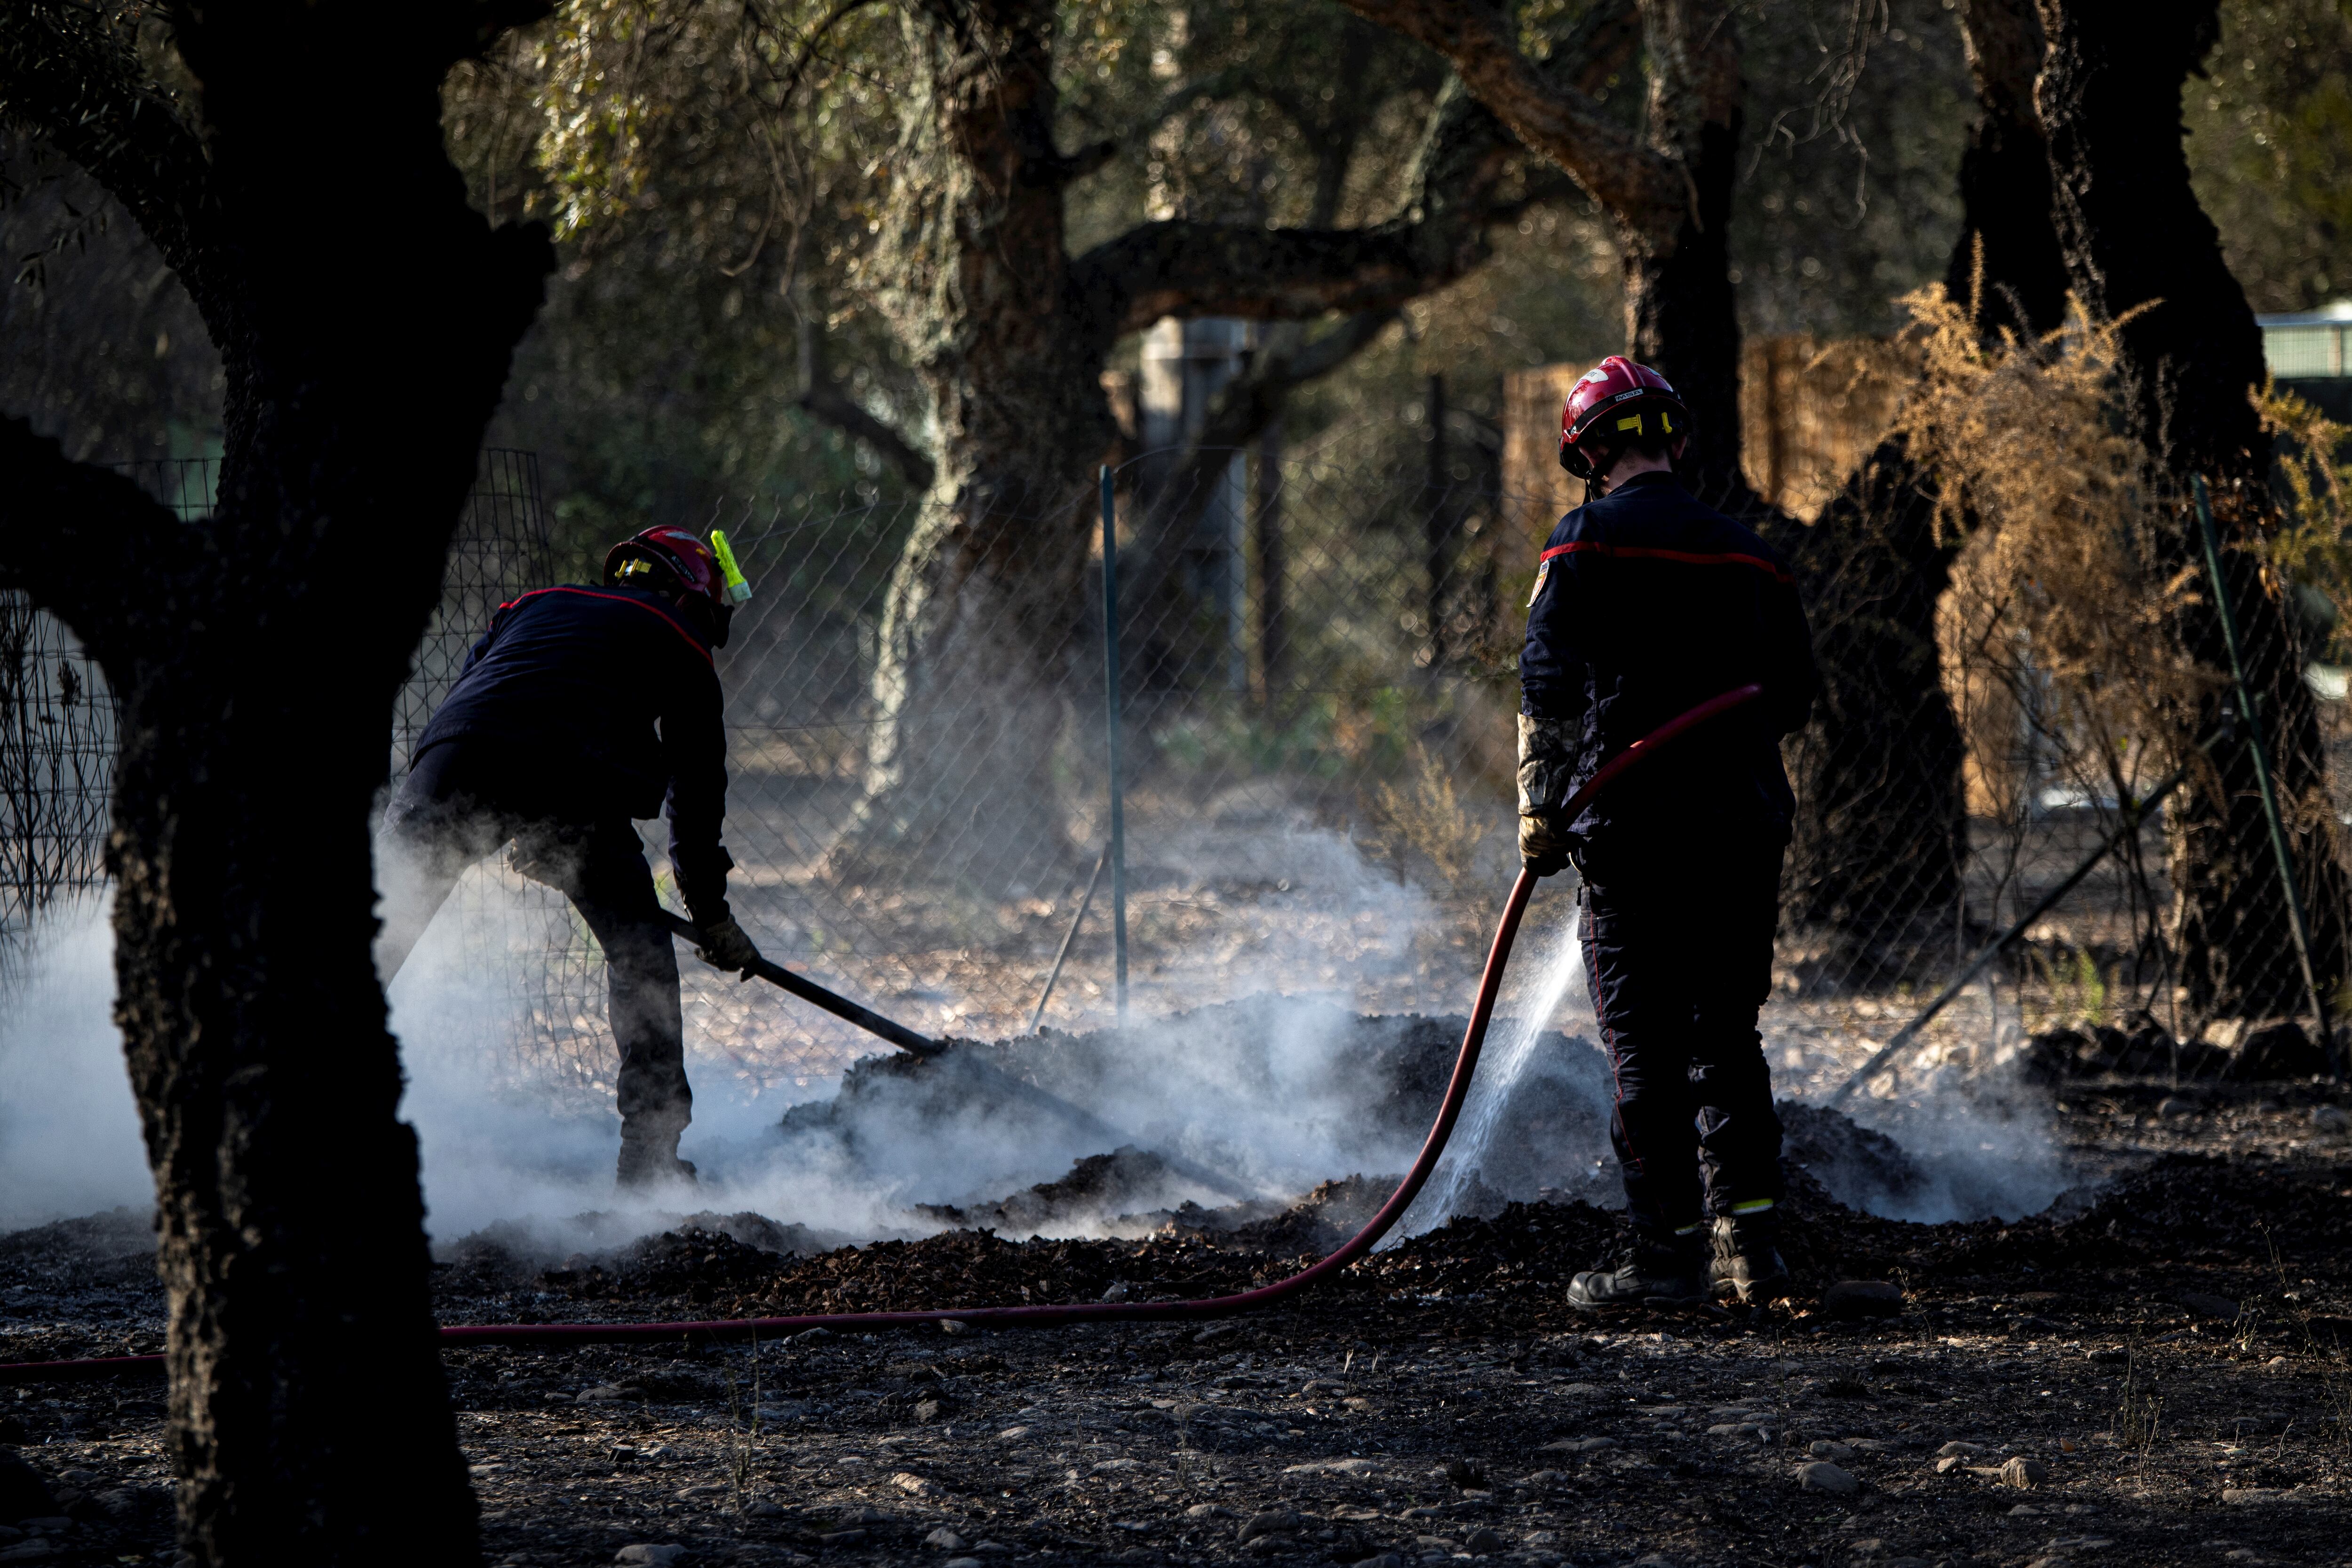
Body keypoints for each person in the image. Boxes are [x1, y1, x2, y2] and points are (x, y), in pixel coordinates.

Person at [1518, 356, 1819, 1307]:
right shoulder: (1753, 554)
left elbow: (1546, 683)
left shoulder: (1585, 543)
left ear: (1589, 450)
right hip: (1740, 827)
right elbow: (1796, 695)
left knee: (1643, 1048)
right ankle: (1751, 1253)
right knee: (1725, 1037)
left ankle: (1665, 1260)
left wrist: (1538, 805)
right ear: (1673, 441)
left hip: (1629, 827)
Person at [375, 525, 763, 1191]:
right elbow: (696, 800)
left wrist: (516, 822)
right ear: (689, 592)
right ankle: (650, 1165)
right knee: (639, 954)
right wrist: (713, 914)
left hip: (451, 759)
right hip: (571, 777)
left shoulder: (531, 605)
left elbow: (483, 701)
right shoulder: (682, 643)